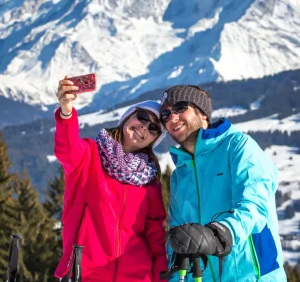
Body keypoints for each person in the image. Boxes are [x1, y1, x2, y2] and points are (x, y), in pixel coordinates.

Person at [159, 85, 287, 281]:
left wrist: (219, 234)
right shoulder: (180, 174)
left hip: (251, 275)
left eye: (179, 108)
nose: (172, 118)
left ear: (202, 113)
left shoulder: (238, 146)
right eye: (165, 115)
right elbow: (179, 240)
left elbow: (255, 204)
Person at [54, 76, 167, 282]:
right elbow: (67, 149)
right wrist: (66, 110)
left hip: (137, 276)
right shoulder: (89, 156)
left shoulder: (149, 181)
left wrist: (160, 274)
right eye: (142, 117)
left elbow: (154, 234)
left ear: (154, 140)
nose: (144, 127)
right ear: (128, 117)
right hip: (85, 273)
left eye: (153, 129)